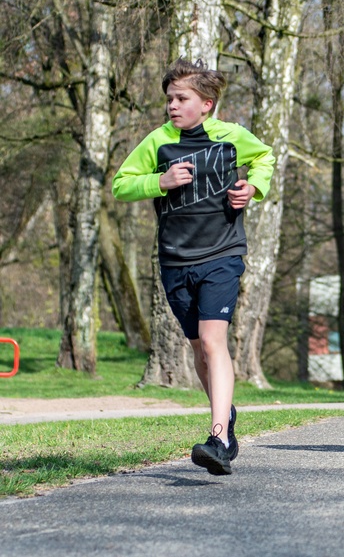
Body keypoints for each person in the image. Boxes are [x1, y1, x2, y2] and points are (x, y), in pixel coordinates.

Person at [112, 58, 275, 475]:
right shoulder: (159, 142)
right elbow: (121, 184)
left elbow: (266, 158)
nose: (172, 105)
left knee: (212, 339)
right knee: (199, 349)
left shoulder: (232, 137)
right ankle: (226, 415)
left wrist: (252, 188)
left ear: (206, 104)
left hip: (222, 254)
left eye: (181, 98)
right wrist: (158, 182)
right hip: (175, 261)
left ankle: (218, 437)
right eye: (169, 98)